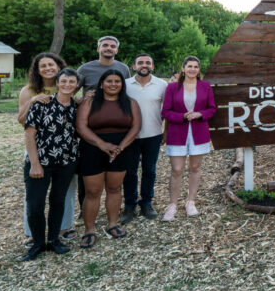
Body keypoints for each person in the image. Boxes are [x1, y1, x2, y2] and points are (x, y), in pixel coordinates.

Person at [75, 69, 141, 248]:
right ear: (102, 83)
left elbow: (136, 127)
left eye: (117, 81)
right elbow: (81, 126)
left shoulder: (130, 103)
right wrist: (101, 144)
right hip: (92, 148)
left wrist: (122, 146)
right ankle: (89, 230)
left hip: (120, 150)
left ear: (122, 84)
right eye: (109, 81)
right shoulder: (89, 102)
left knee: (114, 188)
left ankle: (112, 224)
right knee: (93, 192)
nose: (113, 84)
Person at [21, 68, 81, 261]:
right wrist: (34, 163)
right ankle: (38, 242)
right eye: (64, 81)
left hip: (66, 162)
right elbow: (29, 133)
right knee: (35, 204)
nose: (67, 85)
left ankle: (54, 239)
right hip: (41, 161)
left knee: (58, 200)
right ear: (57, 82)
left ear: (76, 85)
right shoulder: (42, 103)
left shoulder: (77, 107)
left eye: (72, 82)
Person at [161, 56, 217, 221]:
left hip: (199, 132)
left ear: (199, 70)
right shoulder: (172, 87)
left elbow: (212, 108)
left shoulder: (205, 86)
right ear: (183, 68)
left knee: (195, 167)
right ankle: (172, 205)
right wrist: (182, 116)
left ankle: (190, 202)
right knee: (177, 169)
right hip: (178, 132)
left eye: (196, 66)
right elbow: (165, 112)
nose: (192, 69)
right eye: (189, 66)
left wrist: (200, 114)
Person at [122, 53, 168, 223]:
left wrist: (166, 131)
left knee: (149, 170)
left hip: (153, 134)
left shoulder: (162, 84)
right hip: (129, 137)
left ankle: (146, 203)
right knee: (130, 172)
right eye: (140, 62)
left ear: (153, 66)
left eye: (148, 63)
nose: (144, 65)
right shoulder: (125, 85)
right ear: (134, 66)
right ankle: (129, 205)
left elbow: (168, 109)